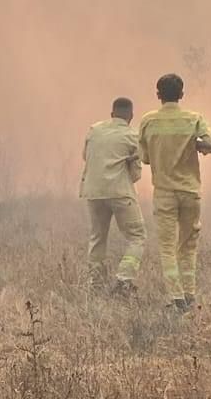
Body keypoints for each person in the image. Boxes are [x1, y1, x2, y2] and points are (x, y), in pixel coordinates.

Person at [137, 73, 211, 312]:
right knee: (188, 244)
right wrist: (197, 143)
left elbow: (145, 158)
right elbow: (210, 144)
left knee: (167, 247)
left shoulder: (148, 121)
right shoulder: (194, 119)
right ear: (182, 95)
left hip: (164, 194)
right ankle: (189, 294)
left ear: (158, 95)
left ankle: (176, 296)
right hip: (190, 192)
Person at [79, 97, 146, 296]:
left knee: (97, 238)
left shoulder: (94, 130)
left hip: (93, 191)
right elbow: (136, 173)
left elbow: (86, 156)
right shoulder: (132, 135)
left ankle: (95, 283)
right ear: (131, 117)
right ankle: (124, 280)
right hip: (119, 192)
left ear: (111, 114)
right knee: (137, 237)